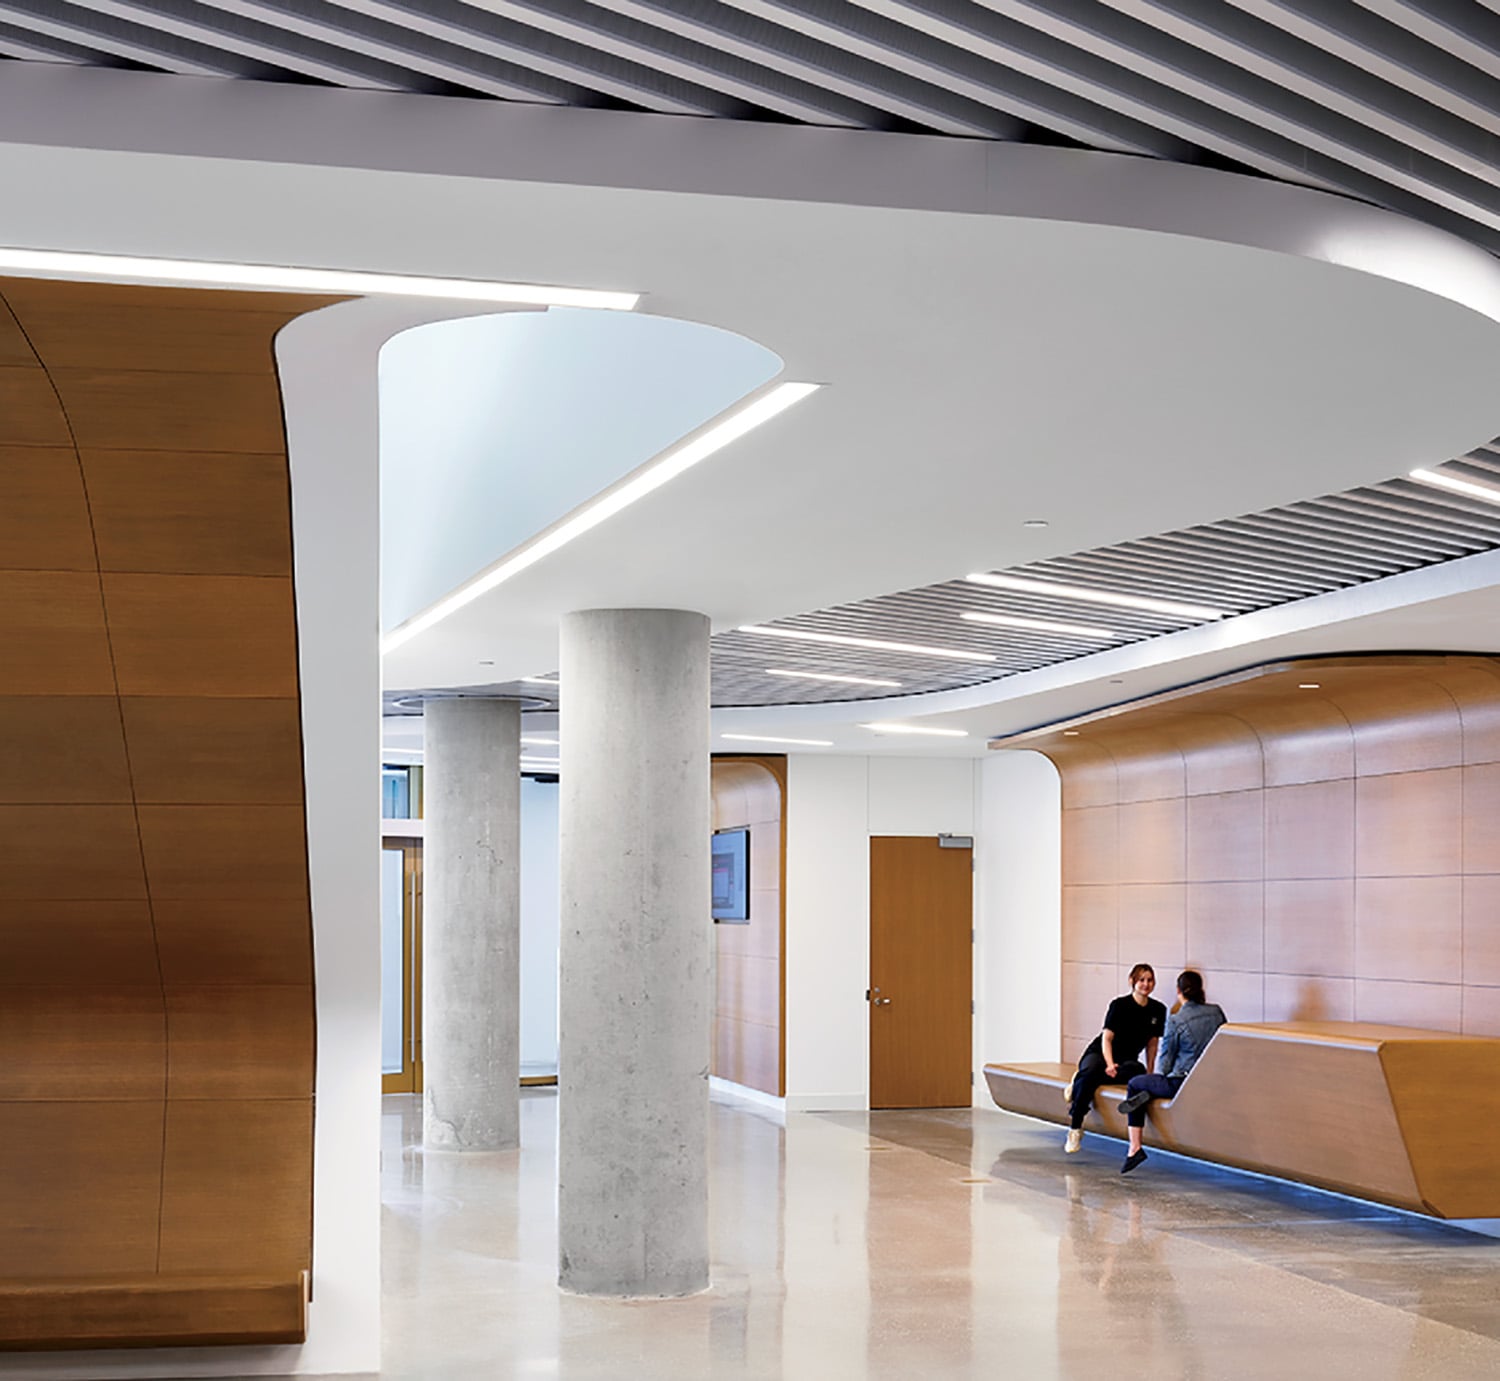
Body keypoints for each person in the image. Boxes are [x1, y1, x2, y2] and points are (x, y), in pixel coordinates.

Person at [1118, 969, 1226, 1174]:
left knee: (1135, 1084)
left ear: (1179, 990)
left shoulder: (1176, 1020)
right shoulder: (1216, 1012)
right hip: (1209, 1080)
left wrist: (1158, 1075)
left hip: (1181, 1082)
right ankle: (1146, 1096)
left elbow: (1165, 1065)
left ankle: (1135, 1148)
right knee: (1147, 1086)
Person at [1063, 963, 1166, 1153]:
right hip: (1101, 1053)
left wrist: (1150, 1072)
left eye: (1150, 980)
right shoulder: (1119, 1005)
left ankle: (1078, 1081)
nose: (1146, 984)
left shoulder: (1158, 1010)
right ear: (1132, 982)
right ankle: (1075, 1128)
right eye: (1141, 980)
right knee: (1092, 1073)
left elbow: (1152, 1044)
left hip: (1127, 1060)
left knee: (1138, 1071)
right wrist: (1109, 1064)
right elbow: (1106, 1038)